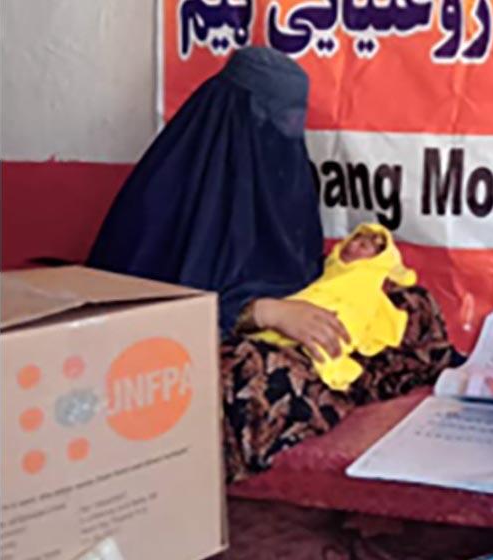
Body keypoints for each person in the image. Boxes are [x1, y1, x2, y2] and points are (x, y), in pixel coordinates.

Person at [87, 47, 454, 482]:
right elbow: (143, 304)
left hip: (290, 324)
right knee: (259, 381)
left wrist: (349, 273)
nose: (287, 130)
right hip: (207, 341)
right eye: (277, 115)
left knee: (408, 306)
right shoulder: (166, 189)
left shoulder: (286, 173)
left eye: (294, 117)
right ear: (239, 112)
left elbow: (288, 268)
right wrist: (263, 311)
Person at [252, 223, 420, 391]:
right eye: (354, 239)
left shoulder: (366, 285)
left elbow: (351, 320)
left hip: (311, 345)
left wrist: (326, 354)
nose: (352, 245)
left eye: (363, 246)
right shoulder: (322, 268)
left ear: (377, 259)